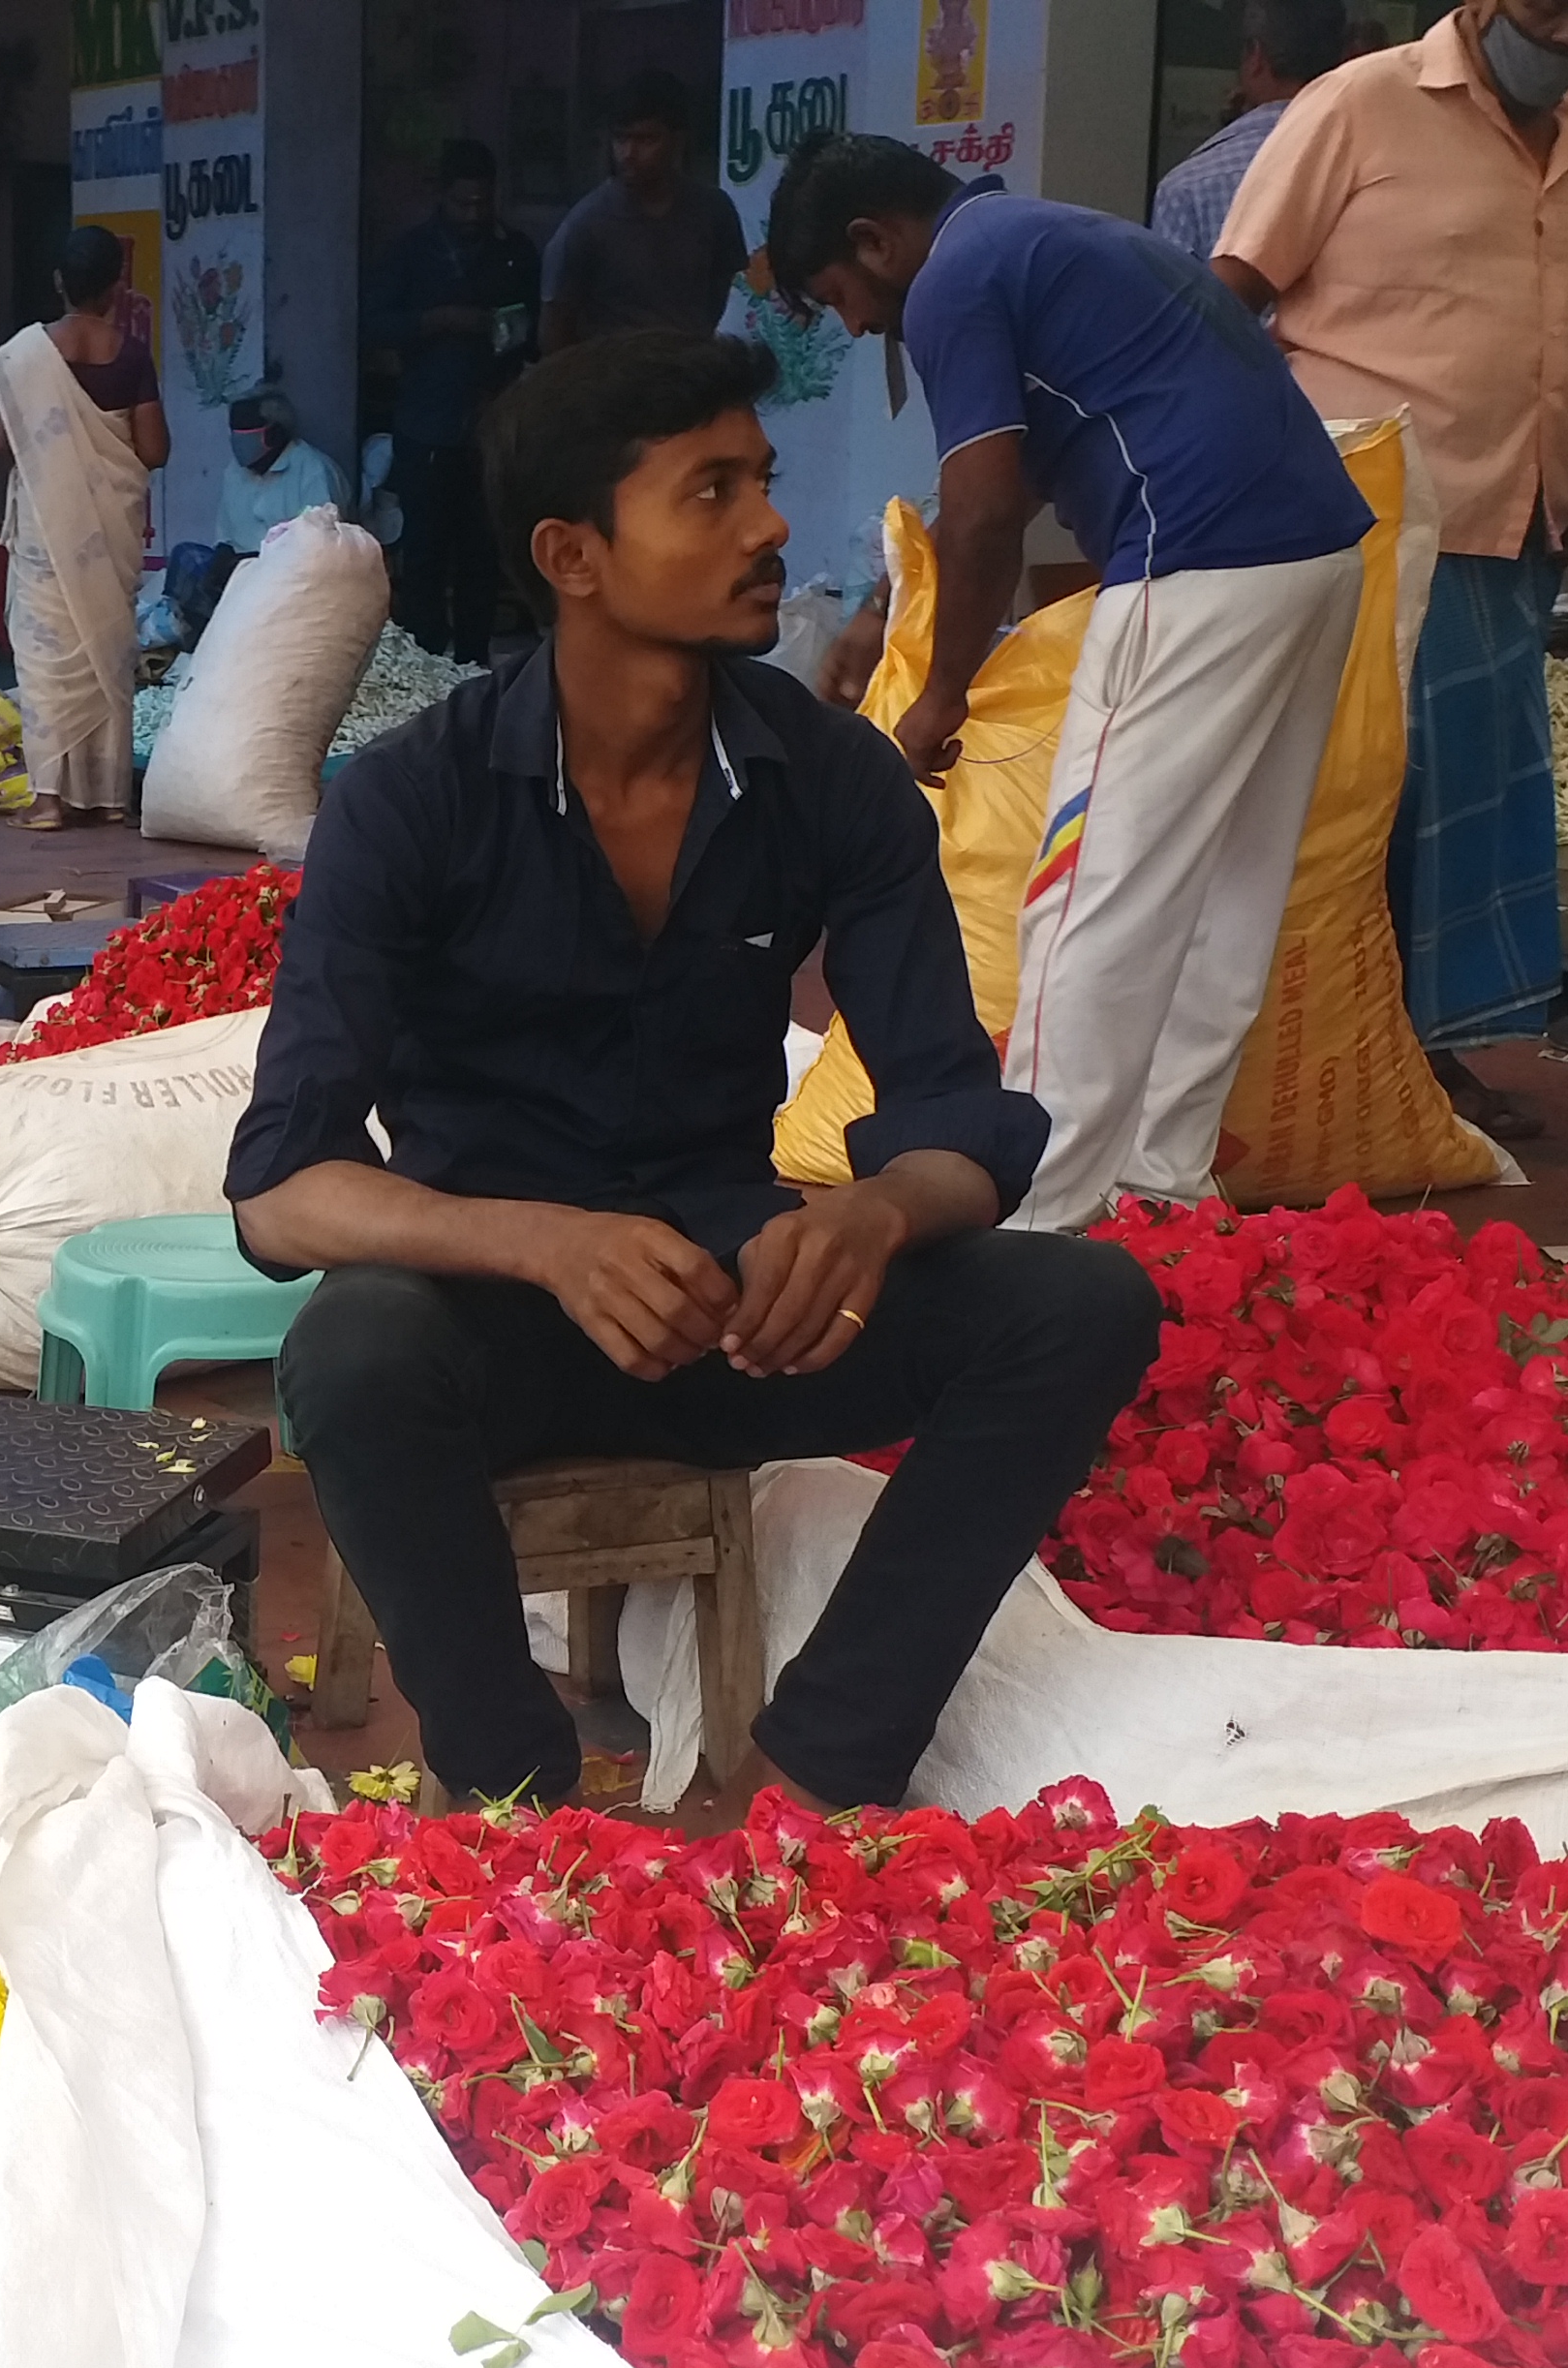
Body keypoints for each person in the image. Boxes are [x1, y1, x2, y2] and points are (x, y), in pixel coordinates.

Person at [229, 327, 1158, 1813]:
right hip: (497, 1321)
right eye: (711, 493)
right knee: (353, 1356)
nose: (771, 527)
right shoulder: (413, 802)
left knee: (1079, 1305)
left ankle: (800, 1779)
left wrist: (867, 1219)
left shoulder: (832, 777)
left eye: (764, 483)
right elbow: (281, 1191)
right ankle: (516, 1792)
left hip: (738, 1316)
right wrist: (545, 1244)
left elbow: (952, 1117)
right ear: (574, 554)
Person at [770, 135, 1378, 1233]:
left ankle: (1035, 1205)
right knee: (1226, 890)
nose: (859, 327)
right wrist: (884, 607)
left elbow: (991, 509)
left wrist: (942, 693)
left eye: (843, 298)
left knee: (1090, 891)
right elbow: (987, 490)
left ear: (876, 242)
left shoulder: (955, 279)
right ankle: (1164, 1184)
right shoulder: (1038, 236)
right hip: (1316, 555)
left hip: (1198, 556)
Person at [1219, 0, 1568, 1144]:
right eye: (1547, 1)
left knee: (1469, 808)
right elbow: (1228, 299)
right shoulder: (1359, 103)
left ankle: (1427, 1056)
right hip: (1367, 519)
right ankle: (1358, 1065)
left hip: (1514, 527)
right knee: (1372, 804)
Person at [0, 224, 167, 830]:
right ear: (117, 284)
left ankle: (49, 800)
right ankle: (111, 800)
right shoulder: (133, 354)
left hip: (46, 530)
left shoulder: (25, 356)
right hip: (109, 531)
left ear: (59, 280)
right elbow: (154, 449)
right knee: (106, 651)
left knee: (45, 661)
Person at [368, 138, 541, 661]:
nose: (472, 214)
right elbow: (375, 325)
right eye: (462, 203)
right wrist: (439, 321)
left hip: (490, 422)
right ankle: (424, 660)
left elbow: (536, 332)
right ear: (441, 196)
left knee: (482, 555)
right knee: (423, 554)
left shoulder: (514, 252)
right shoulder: (412, 252)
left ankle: (471, 661)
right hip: (427, 423)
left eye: (481, 204)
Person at [539, 73, 751, 354]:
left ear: (677, 141)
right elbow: (555, 324)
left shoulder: (713, 210)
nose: (628, 153)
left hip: (688, 371)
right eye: (621, 139)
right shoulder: (586, 223)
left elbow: (718, 291)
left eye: (645, 140)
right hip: (615, 377)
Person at [1149, 0, 1364, 266]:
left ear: (1255, 57)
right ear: (1347, 57)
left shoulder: (1187, 189)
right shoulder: (1378, 167)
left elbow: (1178, 306)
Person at [210, 389, 354, 553]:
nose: (237, 439)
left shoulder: (313, 471)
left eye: (245, 431)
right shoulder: (234, 472)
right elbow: (225, 537)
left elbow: (322, 546)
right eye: (234, 430)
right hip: (242, 569)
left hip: (293, 571)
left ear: (275, 433)